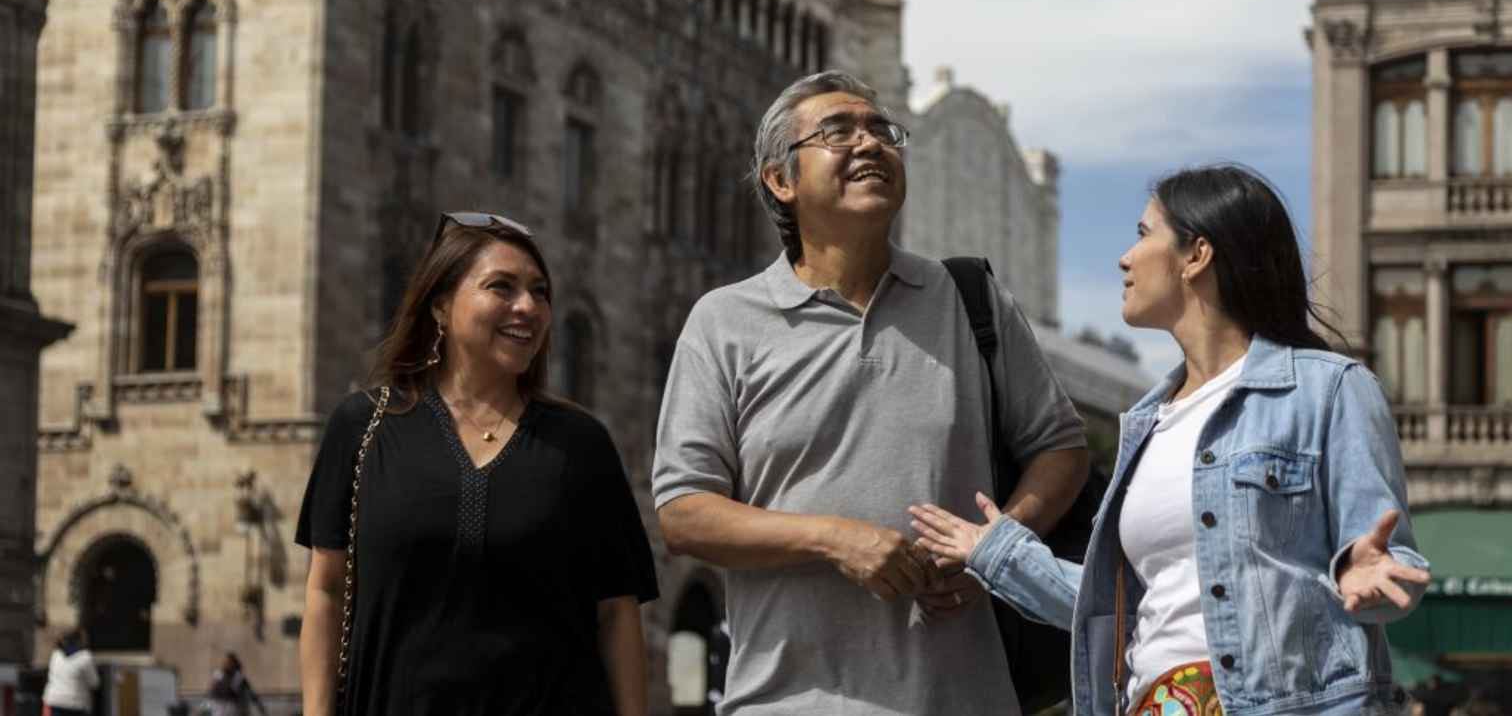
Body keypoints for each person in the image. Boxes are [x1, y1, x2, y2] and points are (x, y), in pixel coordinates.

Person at [910, 164, 1431, 716]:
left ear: (1196, 255)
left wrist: (1362, 570)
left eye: (1142, 234)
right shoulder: (1147, 423)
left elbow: (1392, 558)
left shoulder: (1329, 389)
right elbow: (1122, 612)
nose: (1124, 258)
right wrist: (996, 553)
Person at [653, 70, 1090, 715]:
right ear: (781, 180)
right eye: (837, 132)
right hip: (785, 703)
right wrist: (833, 538)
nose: (870, 144)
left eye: (881, 130)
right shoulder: (724, 321)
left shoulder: (972, 301)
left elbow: (1062, 448)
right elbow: (683, 512)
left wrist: (995, 555)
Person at [296, 212, 658, 716]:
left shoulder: (581, 445)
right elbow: (326, 589)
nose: (527, 307)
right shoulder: (363, 427)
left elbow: (617, 613)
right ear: (440, 305)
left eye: (540, 291)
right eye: (501, 287)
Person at [41, 629, 98, 716]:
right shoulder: (85, 657)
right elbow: (94, 683)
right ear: (80, 641)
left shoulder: (56, 654)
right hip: (75, 704)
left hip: (54, 700)